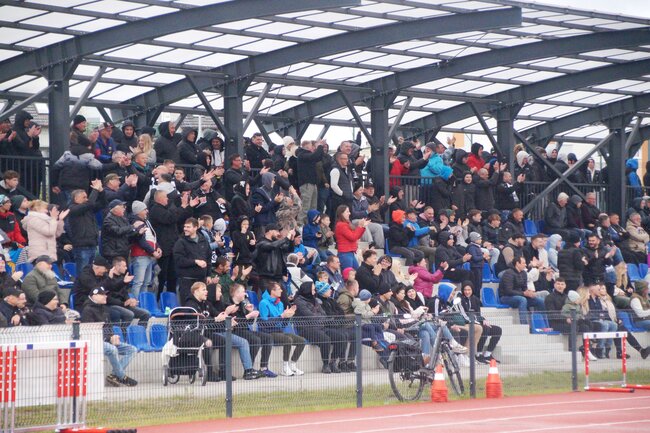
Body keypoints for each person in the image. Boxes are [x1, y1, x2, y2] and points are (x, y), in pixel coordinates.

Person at [81, 287, 138, 387]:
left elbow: (109, 326)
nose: (105, 296)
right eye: (102, 294)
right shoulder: (87, 310)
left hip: (107, 340)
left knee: (132, 349)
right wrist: (108, 339)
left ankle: (114, 375)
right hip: (95, 342)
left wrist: (113, 336)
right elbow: (90, 332)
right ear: (94, 296)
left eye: (105, 294)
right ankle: (122, 377)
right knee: (112, 349)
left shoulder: (104, 308)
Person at [149, 189, 192, 295]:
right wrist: (182, 206)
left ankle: (170, 298)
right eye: (165, 197)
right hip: (163, 248)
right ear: (160, 199)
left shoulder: (166, 208)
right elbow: (170, 218)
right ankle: (158, 298)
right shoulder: (156, 209)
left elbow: (178, 217)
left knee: (173, 275)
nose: (167, 199)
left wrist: (188, 206)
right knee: (162, 275)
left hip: (172, 247)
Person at [228, 283, 277, 378]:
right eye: (243, 292)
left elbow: (248, 322)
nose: (245, 294)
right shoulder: (229, 305)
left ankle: (264, 367)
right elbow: (235, 322)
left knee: (268, 337)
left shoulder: (243, 304)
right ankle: (249, 369)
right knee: (255, 340)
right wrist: (248, 315)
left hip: (245, 330)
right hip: (235, 331)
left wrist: (250, 312)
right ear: (236, 293)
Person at [258, 281, 306, 376]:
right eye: (279, 289)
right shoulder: (263, 303)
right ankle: (285, 367)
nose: (281, 290)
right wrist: (282, 316)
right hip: (268, 332)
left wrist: (288, 316)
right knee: (288, 340)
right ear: (272, 291)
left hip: (279, 331)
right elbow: (265, 323)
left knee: (301, 341)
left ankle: (293, 365)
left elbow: (282, 324)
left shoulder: (280, 303)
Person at [293, 281, 340, 374]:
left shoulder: (314, 300)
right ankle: (325, 365)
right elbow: (310, 316)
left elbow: (323, 314)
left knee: (340, 337)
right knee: (325, 340)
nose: (315, 291)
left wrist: (321, 319)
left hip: (320, 326)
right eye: (313, 290)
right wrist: (322, 319)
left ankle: (333, 362)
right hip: (306, 328)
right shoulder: (299, 302)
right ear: (307, 290)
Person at [68, 180, 106, 273]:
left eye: (87, 197)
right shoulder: (72, 209)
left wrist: (101, 191)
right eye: (84, 197)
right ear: (76, 199)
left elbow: (103, 203)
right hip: (82, 246)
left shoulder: (88, 208)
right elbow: (89, 203)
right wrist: (95, 190)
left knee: (91, 273)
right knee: (83, 273)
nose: (86, 199)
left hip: (92, 244)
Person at [460, 281, 501, 364]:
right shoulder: (461, 300)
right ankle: (478, 354)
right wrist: (479, 321)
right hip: (468, 323)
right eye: (465, 290)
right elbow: (465, 316)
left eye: (469, 290)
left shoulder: (475, 299)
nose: (467, 292)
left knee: (497, 330)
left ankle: (487, 354)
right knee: (484, 328)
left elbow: (478, 314)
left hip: (477, 321)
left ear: (472, 290)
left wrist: (483, 320)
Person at [498, 256, 545, 325]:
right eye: (523, 263)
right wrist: (524, 293)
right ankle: (524, 324)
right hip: (506, 297)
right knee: (522, 300)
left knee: (540, 301)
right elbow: (508, 291)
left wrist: (529, 293)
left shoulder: (524, 273)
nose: (525, 265)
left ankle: (543, 324)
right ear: (517, 263)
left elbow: (524, 288)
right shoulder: (508, 273)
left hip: (520, 296)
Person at [174, 218, 212, 304]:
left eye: (188, 227)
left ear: (196, 227)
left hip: (201, 280)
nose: (185, 229)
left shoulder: (204, 241)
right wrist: (195, 262)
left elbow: (208, 258)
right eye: (185, 227)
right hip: (186, 281)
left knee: (201, 305)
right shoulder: (180, 242)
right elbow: (179, 260)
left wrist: (208, 275)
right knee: (187, 305)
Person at [104, 257, 151, 325]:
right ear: (117, 266)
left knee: (146, 314)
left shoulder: (123, 278)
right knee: (129, 314)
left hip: (123, 305)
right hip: (112, 305)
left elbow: (125, 293)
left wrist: (129, 300)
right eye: (124, 266)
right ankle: (123, 331)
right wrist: (123, 303)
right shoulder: (108, 278)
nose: (126, 268)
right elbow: (108, 297)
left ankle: (139, 330)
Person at [129, 200, 161, 297]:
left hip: (148, 255)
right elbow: (141, 241)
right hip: (141, 255)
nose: (147, 211)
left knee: (146, 282)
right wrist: (153, 251)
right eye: (144, 209)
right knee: (138, 282)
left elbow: (151, 237)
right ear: (138, 211)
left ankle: (143, 302)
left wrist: (157, 247)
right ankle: (135, 303)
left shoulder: (146, 222)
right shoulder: (137, 223)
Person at [101, 199, 145, 264]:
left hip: (124, 251)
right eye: (122, 207)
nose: (124, 208)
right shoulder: (108, 220)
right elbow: (117, 231)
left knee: (125, 270)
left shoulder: (123, 218)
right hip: (114, 253)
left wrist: (138, 233)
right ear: (115, 209)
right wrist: (133, 226)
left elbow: (127, 233)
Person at [334, 205, 367, 270]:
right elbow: (353, 237)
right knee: (348, 274)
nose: (349, 213)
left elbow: (356, 236)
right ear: (341, 213)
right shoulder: (341, 225)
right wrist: (360, 226)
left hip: (350, 253)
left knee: (356, 273)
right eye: (347, 212)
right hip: (345, 253)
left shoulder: (347, 224)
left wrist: (363, 227)